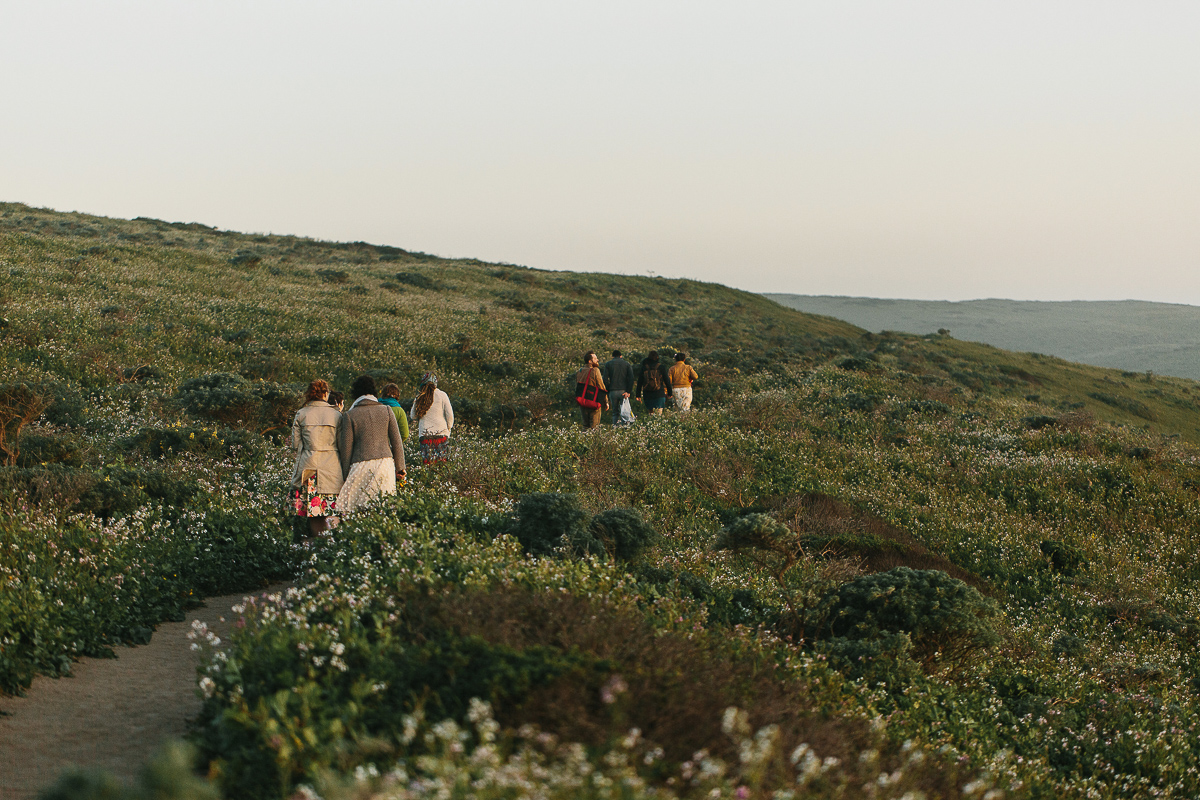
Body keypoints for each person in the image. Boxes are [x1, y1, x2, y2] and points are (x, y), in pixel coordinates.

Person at [336, 375, 406, 513]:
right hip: (385, 464)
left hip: (360, 465)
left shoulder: (350, 415)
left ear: (355, 393)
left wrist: (345, 475)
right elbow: (397, 442)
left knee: (355, 508)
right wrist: (400, 467)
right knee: (384, 507)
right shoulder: (387, 410)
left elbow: (346, 450)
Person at [290, 379, 343, 536]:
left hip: (309, 469)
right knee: (332, 509)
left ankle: (318, 547)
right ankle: (332, 547)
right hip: (332, 468)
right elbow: (341, 444)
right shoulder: (336, 415)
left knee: (314, 512)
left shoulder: (302, 414)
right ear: (326, 394)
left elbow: (295, 444)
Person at [410, 372, 454, 464]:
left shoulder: (420, 397)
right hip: (441, 435)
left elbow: (412, 415)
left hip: (425, 436)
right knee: (441, 465)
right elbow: (450, 416)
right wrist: (448, 430)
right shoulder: (442, 395)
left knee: (428, 465)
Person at [574, 351, 608, 429]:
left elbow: (577, 385)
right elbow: (601, 386)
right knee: (594, 427)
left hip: (582, 401)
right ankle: (592, 441)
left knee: (585, 425)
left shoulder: (580, 371)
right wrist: (605, 401)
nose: (597, 360)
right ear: (590, 361)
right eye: (595, 358)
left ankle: (583, 440)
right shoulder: (595, 370)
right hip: (593, 401)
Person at [602, 349, 636, 426]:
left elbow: (604, 379)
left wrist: (608, 389)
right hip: (623, 391)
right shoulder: (627, 364)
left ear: (613, 356)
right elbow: (631, 378)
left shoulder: (608, 364)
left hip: (613, 391)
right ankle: (625, 428)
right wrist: (628, 391)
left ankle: (615, 427)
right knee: (625, 411)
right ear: (621, 356)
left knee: (615, 412)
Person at [636, 350, 671, 415]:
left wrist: (638, 395)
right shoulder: (661, 367)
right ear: (657, 357)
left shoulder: (644, 368)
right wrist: (670, 393)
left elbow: (639, 382)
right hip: (659, 393)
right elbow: (667, 381)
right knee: (659, 415)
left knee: (651, 414)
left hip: (647, 394)